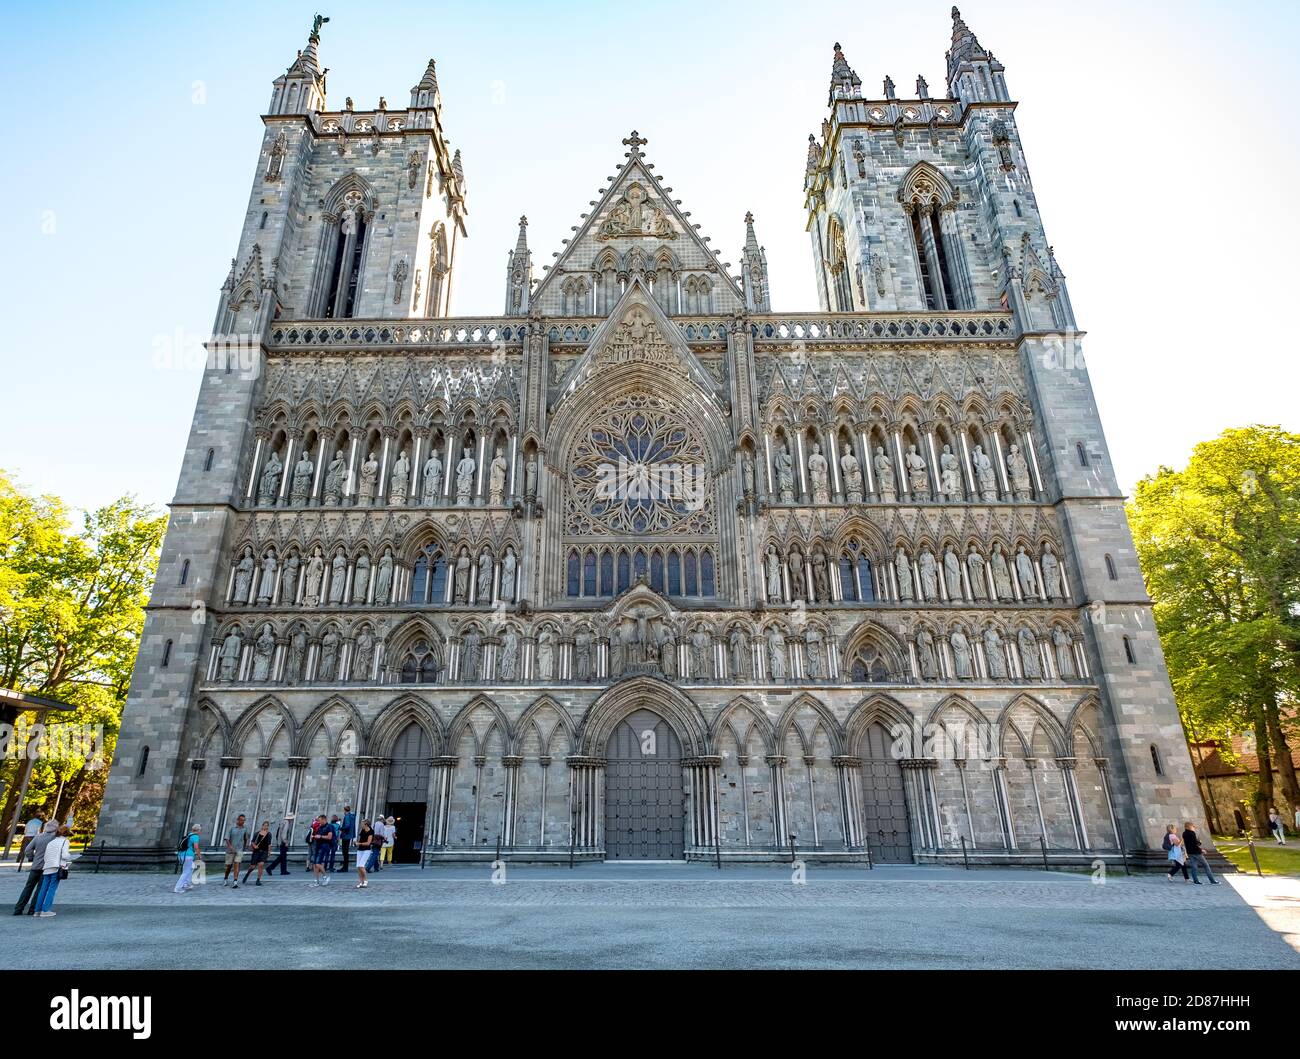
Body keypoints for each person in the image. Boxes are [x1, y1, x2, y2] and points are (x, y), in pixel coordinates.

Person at [13, 823, 59, 916]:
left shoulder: (38, 837)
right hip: (46, 867)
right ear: (55, 829)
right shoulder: (54, 839)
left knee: (28, 887)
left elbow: (27, 850)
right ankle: (32, 909)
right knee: (40, 889)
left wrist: (32, 857)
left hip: (35, 866)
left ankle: (18, 908)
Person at [33, 825, 72, 917]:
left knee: (43, 889)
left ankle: (37, 910)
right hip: (56, 867)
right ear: (67, 833)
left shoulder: (51, 842)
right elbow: (65, 855)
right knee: (52, 889)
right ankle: (46, 910)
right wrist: (69, 856)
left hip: (47, 867)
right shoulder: (65, 841)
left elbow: (46, 856)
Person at [174, 824, 203, 893]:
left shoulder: (189, 835)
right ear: (198, 830)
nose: (200, 832)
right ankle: (178, 888)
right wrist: (199, 855)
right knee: (186, 872)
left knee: (192, 867)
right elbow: (196, 847)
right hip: (188, 856)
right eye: (200, 830)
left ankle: (186, 883)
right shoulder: (195, 836)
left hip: (181, 855)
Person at [223, 814, 249, 888]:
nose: (242, 821)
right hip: (230, 850)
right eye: (241, 820)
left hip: (239, 850)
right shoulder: (231, 828)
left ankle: (235, 882)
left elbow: (246, 839)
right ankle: (225, 878)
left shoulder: (245, 829)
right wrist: (230, 846)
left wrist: (244, 847)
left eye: (244, 820)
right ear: (238, 820)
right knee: (229, 866)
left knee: (237, 864)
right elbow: (227, 838)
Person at [243, 821, 272, 885]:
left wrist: (269, 852)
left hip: (264, 851)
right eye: (265, 825)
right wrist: (254, 846)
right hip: (256, 851)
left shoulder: (269, 834)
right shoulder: (257, 833)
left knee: (261, 865)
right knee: (252, 867)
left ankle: (258, 880)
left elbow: (269, 844)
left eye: (267, 825)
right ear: (262, 826)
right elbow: (252, 842)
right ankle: (247, 874)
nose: (266, 827)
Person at [309, 814, 332, 885]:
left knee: (318, 863)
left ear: (324, 819)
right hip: (318, 846)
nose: (319, 822)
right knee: (314, 864)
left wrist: (320, 836)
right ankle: (316, 881)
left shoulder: (329, 827)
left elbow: (329, 837)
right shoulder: (320, 827)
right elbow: (318, 836)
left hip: (324, 846)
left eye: (319, 820)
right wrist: (314, 836)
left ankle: (325, 877)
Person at [354, 819, 373, 889]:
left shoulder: (371, 831)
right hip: (360, 850)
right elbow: (360, 839)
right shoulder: (362, 830)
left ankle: (365, 880)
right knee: (358, 866)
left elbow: (368, 843)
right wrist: (356, 843)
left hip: (366, 850)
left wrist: (359, 843)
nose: (361, 825)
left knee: (361, 865)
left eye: (362, 824)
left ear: (366, 824)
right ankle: (361, 881)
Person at [340, 806, 356, 873]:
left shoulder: (347, 816)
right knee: (346, 852)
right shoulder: (352, 816)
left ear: (344, 810)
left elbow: (347, 826)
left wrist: (341, 828)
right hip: (349, 835)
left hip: (345, 835)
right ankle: (345, 867)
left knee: (344, 852)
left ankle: (345, 867)